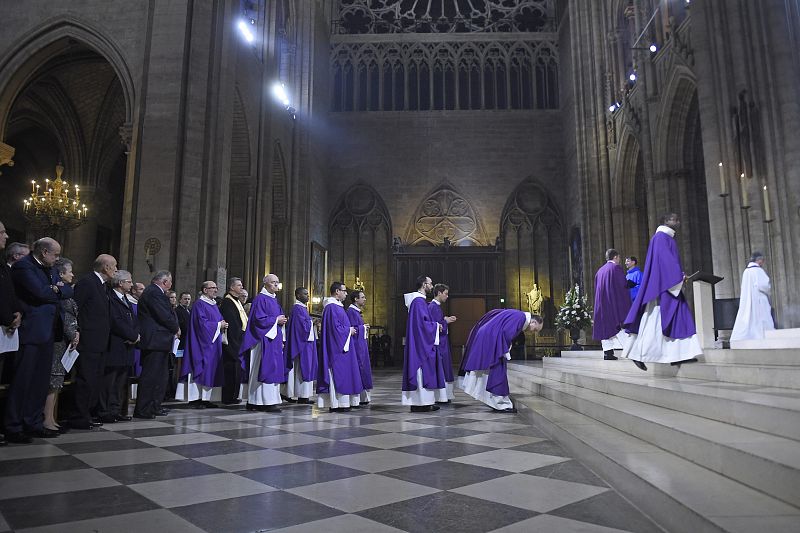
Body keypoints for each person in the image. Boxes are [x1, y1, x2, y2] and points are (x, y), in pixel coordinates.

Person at [6, 237, 72, 443]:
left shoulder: (50, 269)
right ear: (44, 252)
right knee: (23, 381)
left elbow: (67, 290)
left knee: (40, 383)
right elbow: (40, 292)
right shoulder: (23, 267)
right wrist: (55, 290)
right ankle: (14, 426)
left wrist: (56, 290)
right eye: (55, 254)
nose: (57, 258)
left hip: (48, 332)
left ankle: (33, 422)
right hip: (32, 331)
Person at [623, 213, 702, 370]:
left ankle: (679, 356)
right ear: (666, 221)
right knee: (653, 322)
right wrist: (678, 275)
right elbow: (666, 261)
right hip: (662, 287)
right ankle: (637, 354)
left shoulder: (666, 237)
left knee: (677, 318)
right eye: (674, 219)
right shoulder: (661, 238)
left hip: (665, 284)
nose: (678, 221)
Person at [460, 310, 543, 412]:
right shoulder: (521, 318)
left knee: (490, 369)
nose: (532, 331)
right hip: (491, 338)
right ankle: (501, 403)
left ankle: (491, 399)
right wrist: (505, 349)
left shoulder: (518, 315)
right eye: (535, 329)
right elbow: (506, 333)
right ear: (533, 322)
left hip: (488, 336)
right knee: (498, 369)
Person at [71, 254, 117, 429]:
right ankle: (78, 416)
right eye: (114, 266)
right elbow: (76, 308)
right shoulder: (87, 282)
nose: (116, 269)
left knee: (95, 380)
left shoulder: (102, 286)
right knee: (86, 379)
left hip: (100, 342)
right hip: (88, 341)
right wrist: (77, 331)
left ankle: (88, 414)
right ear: (105, 267)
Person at [134, 270, 179, 419]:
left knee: (160, 377)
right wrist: (176, 327)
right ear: (165, 282)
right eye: (170, 281)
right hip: (155, 341)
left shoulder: (155, 292)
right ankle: (144, 409)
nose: (171, 284)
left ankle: (154, 406)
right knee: (151, 376)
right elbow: (164, 316)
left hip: (160, 341)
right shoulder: (154, 293)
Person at [240, 274, 287, 412]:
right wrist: (275, 320)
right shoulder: (260, 299)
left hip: (273, 340)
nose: (276, 285)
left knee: (273, 368)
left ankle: (264, 400)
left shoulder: (274, 300)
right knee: (262, 368)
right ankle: (260, 401)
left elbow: (278, 318)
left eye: (277, 282)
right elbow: (258, 320)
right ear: (265, 284)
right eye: (273, 282)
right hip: (262, 340)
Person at [177, 281, 228, 408]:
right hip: (200, 344)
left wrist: (223, 325)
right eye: (213, 288)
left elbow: (218, 319)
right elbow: (201, 324)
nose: (216, 290)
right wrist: (218, 325)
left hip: (213, 344)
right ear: (205, 290)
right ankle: (195, 399)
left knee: (210, 370)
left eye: (216, 288)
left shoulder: (213, 305)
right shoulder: (199, 304)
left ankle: (206, 399)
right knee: (199, 367)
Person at [401, 275, 446, 413]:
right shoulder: (419, 302)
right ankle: (422, 403)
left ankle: (422, 403)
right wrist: (435, 326)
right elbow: (422, 324)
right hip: (421, 344)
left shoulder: (418, 301)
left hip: (419, 341)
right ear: (423, 284)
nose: (432, 286)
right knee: (422, 369)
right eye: (430, 284)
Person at [43, 258, 78, 433]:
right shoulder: (62, 294)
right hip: (59, 341)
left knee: (57, 382)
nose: (72, 274)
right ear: (61, 274)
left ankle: (51, 418)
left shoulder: (66, 292)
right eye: (70, 271)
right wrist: (74, 334)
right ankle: (47, 419)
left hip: (64, 341)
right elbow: (66, 318)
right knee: (53, 381)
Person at [101, 270, 139, 422]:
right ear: (120, 283)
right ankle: (105, 411)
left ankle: (116, 410)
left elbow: (134, 321)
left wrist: (135, 335)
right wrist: (131, 335)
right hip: (116, 344)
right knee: (109, 381)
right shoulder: (110, 298)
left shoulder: (126, 299)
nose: (131, 284)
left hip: (128, 346)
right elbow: (115, 321)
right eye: (129, 281)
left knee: (121, 381)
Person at [318, 282, 361, 412]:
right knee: (338, 373)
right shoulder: (331, 307)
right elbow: (335, 329)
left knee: (344, 373)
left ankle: (341, 403)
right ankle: (336, 404)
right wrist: (349, 331)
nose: (346, 293)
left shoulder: (337, 306)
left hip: (342, 345)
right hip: (336, 348)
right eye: (344, 291)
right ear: (337, 291)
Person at [593, 249, 631, 360]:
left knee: (605, 328)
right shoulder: (615, 268)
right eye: (619, 258)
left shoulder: (599, 271)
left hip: (601, 304)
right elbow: (621, 286)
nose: (619, 260)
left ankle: (608, 353)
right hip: (612, 303)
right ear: (615, 257)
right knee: (618, 326)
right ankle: (630, 351)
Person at [282, 287, 317, 404]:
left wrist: (310, 322)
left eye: (308, 294)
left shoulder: (302, 308)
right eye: (305, 294)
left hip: (306, 343)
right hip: (302, 344)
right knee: (301, 369)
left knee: (304, 369)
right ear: (297, 295)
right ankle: (301, 395)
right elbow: (300, 327)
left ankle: (303, 395)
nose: (308, 296)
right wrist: (311, 322)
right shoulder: (297, 309)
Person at [730, 252, 775, 341]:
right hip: (759, 300)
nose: (762, 263)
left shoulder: (746, 271)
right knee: (761, 318)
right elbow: (764, 285)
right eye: (762, 260)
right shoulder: (758, 270)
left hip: (748, 301)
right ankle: (764, 335)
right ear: (758, 260)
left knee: (748, 317)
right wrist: (769, 288)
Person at [219, 278, 247, 404]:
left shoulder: (237, 301)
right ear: (231, 287)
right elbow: (232, 323)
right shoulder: (227, 302)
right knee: (230, 369)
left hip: (239, 340)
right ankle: (228, 397)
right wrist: (239, 337)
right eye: (239, 285)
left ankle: (234, 396)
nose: (241, 287)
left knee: (236, 370)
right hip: (232, 341)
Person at [429, 284, 457, 402]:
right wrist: (445, 322)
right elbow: (435, 325)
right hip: (439, 343)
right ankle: (441, 397)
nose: (447, 296)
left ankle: (444, 396)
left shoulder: (436, 307)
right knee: (442, 367)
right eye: (445, 293)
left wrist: (445, 319)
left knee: (444, 367)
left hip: (442, 341)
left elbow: (438, 321)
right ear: (439, 293)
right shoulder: (433, 307)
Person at [346, 290, 373, 405]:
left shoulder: (356, 311)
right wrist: (362, 327)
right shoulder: (351, 311)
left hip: (360, 344)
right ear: (356, 299)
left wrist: (363, 327)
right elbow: (352, 328)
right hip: (356, 346)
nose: (365, 299)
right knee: (359, 368)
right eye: (362, 297)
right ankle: (358, 398)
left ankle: (363, 397)